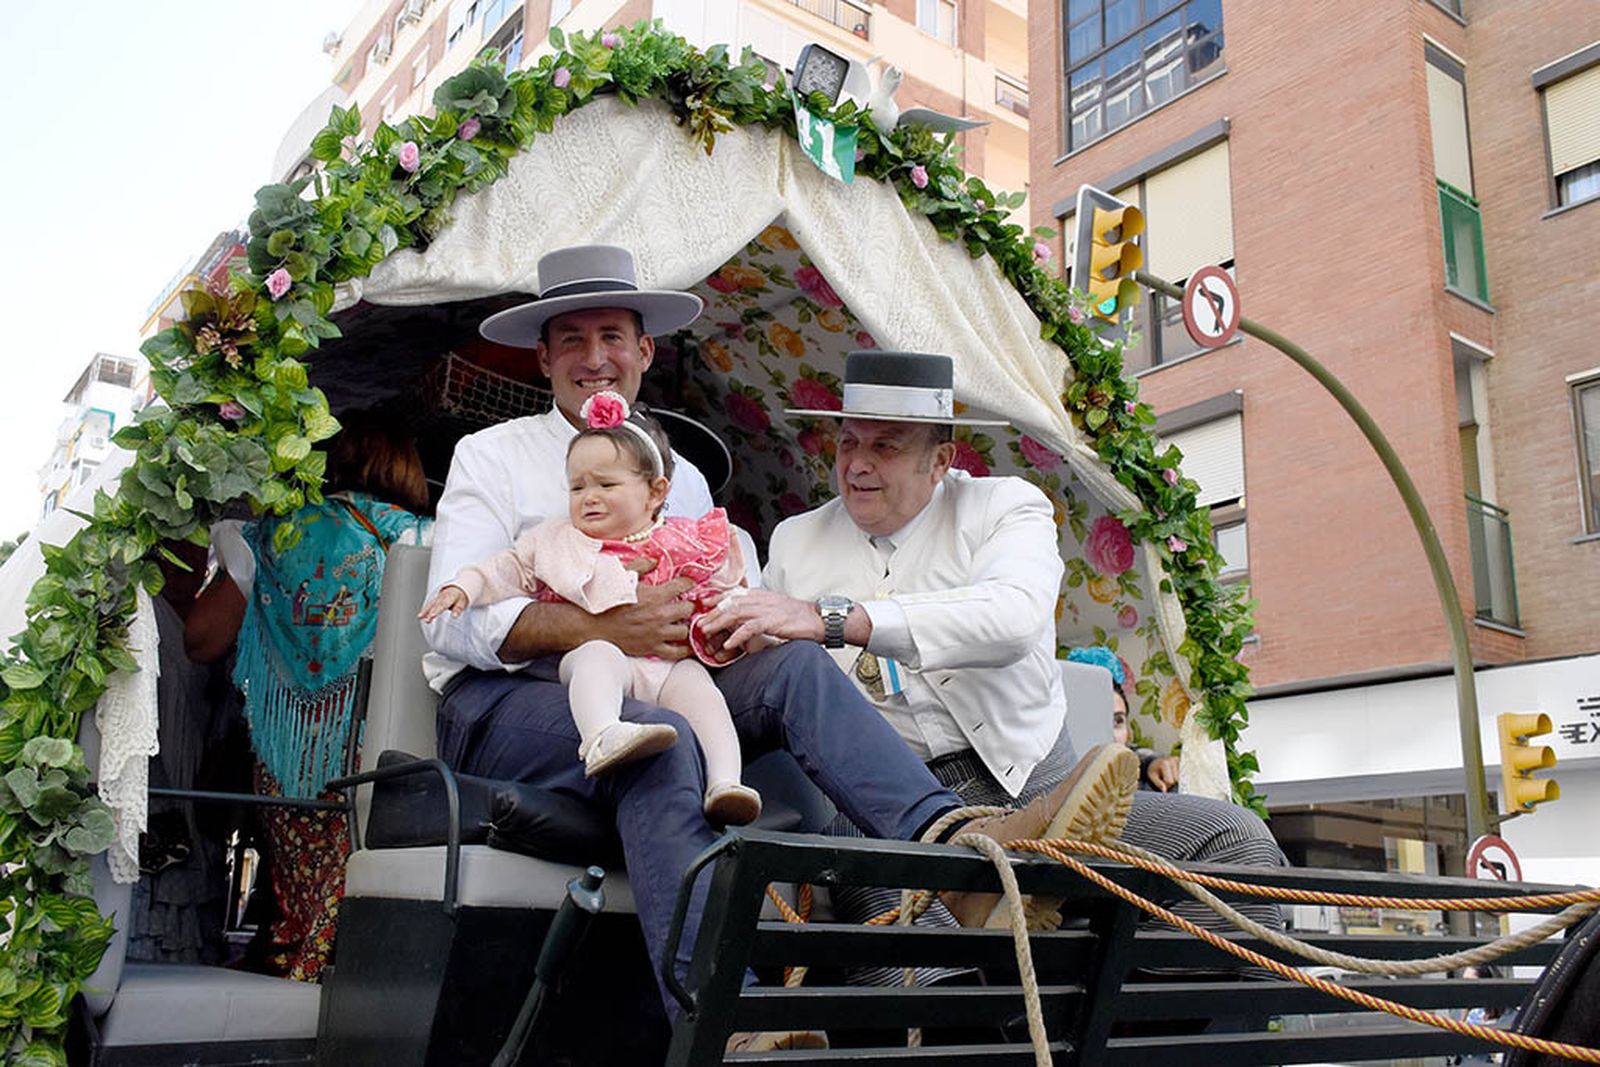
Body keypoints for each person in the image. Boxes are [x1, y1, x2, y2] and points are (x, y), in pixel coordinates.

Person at [421, 246, 1137, 1053]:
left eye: (614, 335)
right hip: (510, 705)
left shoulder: (683, 480)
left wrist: (737, 618)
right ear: (544, 355)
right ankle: (731, 1025)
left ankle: (956, 860)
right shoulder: (489, 455)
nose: (596, 357)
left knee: (792, 667)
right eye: (574, 338)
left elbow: (709, 598)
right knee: (666, 744)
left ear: (645, 350)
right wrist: (600, 629)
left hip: (661, 680)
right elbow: (449, 624)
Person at [703, 350, 1288, 971]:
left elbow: (1012, 618)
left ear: (942, 460)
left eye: (888, 446)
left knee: (1236, 841)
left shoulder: (1006, 506)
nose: (858, 464)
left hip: (1043, 799)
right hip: (881, 815)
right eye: (848, 442)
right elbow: (772, 680)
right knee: (913, 956)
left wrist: (832, 619)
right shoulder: (796, 538)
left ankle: (1126, 1020)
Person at [420, 391, 762, 824]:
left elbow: (723, 588)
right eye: (577, 487)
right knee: (595, 658)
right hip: (594, 656)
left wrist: (739, 614)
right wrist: (464, 587)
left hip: (666, 665)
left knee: (703, 695)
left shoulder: (681, 539)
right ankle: (602, 734)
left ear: (655, 493)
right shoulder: (559, 541)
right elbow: (508, 569)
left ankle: (725, 782)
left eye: (606, 485)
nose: (589, 497)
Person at [186, 414, 431, 981]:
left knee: (295, 893)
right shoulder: (420, 535)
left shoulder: (268, 535)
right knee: (359, 889)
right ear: (404, 467)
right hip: (375, 756)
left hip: (284, 750)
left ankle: (291, 984)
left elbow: (200, 641)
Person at [1068, 645, 1181, 792]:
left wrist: (1153, 765)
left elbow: (1137, 756)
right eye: (1097, 722)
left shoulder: (1142, 770)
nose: (1112, 736)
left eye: (1117, 721)